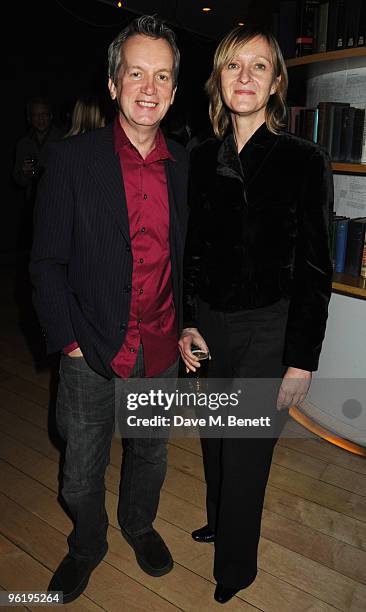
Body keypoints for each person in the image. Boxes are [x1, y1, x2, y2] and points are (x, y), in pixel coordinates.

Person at [30, 15, 188, 604]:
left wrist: (188, 321)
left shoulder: (185, 166)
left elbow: (186, 256)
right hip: (90, 348)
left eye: (163, 76)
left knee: (149, 450)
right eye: (137, 73)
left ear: (173, 91)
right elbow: (45, 263)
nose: (149, 87)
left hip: (160, 343)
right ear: (115, 83)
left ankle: (139, 525)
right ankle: (87, 544)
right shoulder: (72, 162)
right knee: (79, 469)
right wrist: (69, 340)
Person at [179, 24, 333, 604]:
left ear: (275, 85)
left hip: (270, 329)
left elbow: (316, 270)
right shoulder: (199, 158)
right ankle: (219, 521)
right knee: (215, 437)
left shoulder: (305, 160)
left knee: (248, 452)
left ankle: (235, 567)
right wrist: (189, 321)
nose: (245, 77)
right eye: (232, 66)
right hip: (212, 325)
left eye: (259, 67)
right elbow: (194, 251)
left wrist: (301, 361)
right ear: (218, 80)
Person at [13, 97, 62, 248]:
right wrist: (25, 173)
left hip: (59, 206)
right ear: (29, 119)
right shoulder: (23, 144)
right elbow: (17, 179)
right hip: (33, 206)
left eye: (44, 114)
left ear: (51, 116)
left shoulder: (64, 139)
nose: (41, 119)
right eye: (36, 115)